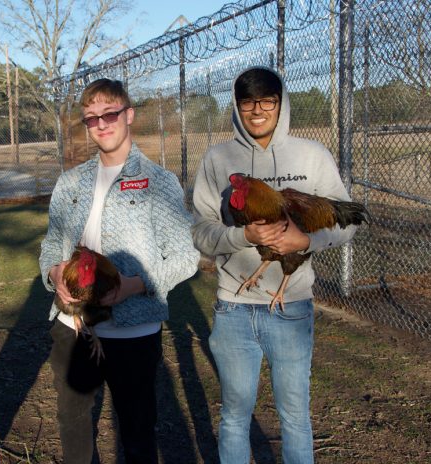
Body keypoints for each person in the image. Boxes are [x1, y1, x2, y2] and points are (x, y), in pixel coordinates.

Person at [192, 66, 358, 464]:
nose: (258, 109)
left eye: (268, 100)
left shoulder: (312, 155)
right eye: (248, 101)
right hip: (233, 305)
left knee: (295, 417)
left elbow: (346, 225)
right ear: (237, 105)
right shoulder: (217, 158)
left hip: (292, 307)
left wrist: (308, 240)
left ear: (281, 105)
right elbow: (199, 232)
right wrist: (242, 237)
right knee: (234, 416)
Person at [39, 78, 199, 463]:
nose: (101, 124)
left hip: (133, 328)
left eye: (110, 114)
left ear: (129, 115)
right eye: (91, 118)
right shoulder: (70, 181)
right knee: (73, 422)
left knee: (137, 428)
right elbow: (50, 245)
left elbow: (184, 257)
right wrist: (54, 274)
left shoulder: (158, 182)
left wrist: (133, 285)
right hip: (73, 324)